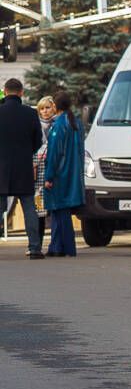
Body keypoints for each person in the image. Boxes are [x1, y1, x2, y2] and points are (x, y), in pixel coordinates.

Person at [0, 78, 44, 258]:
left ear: (4, 91)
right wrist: (26, 153)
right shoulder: (30, 113)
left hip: (1, 168)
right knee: (28, 208)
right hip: (24, 168)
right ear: (21, 93)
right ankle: (34, 248)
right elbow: (38, 141)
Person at [40, 92, 84, 258]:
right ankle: (56, 246)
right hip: (73, 173)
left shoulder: (58, 125)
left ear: (55, 107)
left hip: (60, 174)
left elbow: (54, 154)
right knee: (59, 211)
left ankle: (67, 247)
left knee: (60, 211)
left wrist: (49, 176)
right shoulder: (76, 123)